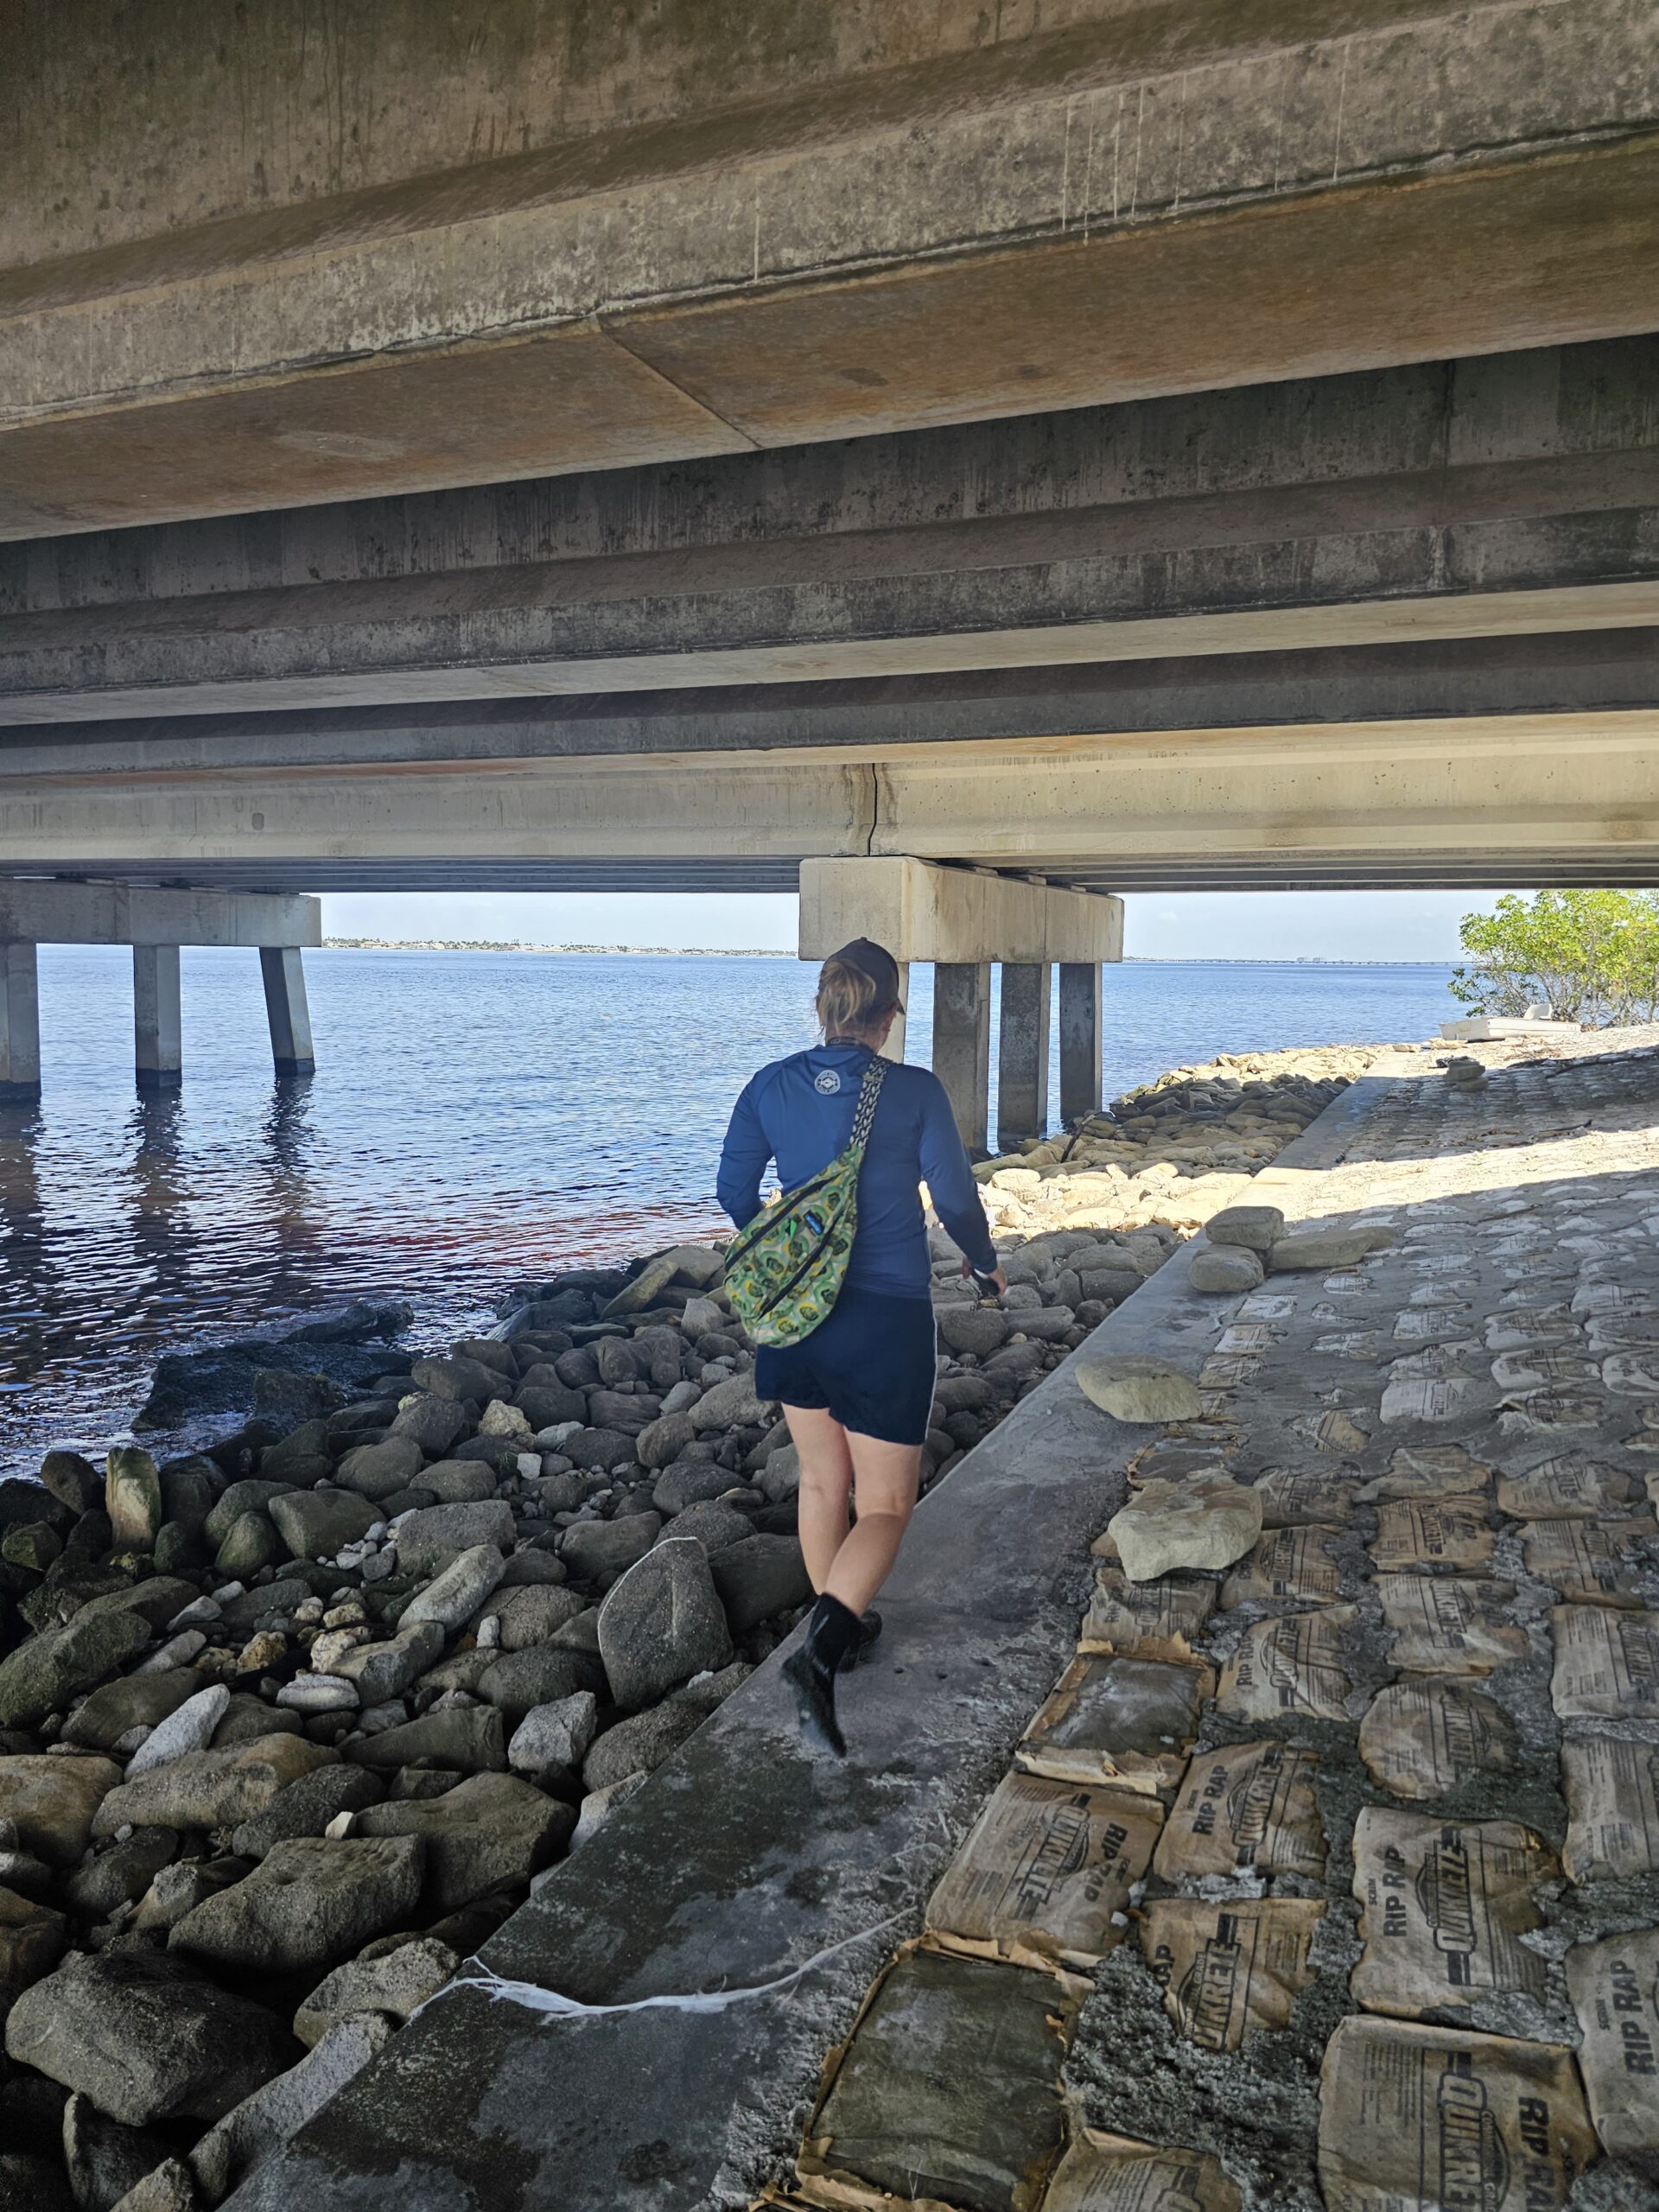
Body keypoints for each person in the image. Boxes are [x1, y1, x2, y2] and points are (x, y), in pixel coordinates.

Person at [716, 937, 1006, 1755]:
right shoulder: (911, 1091)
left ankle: (837, 1612)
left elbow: (733, 1191)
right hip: (884, 1318)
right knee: (884, 1505)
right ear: (887, 1017)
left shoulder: (768, 1085)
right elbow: (954, 1201)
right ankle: (823, 1649)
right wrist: (986, 1268)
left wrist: (790, 1260)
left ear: (823, 1008)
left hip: (796, 1322)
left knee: (821, 1480)